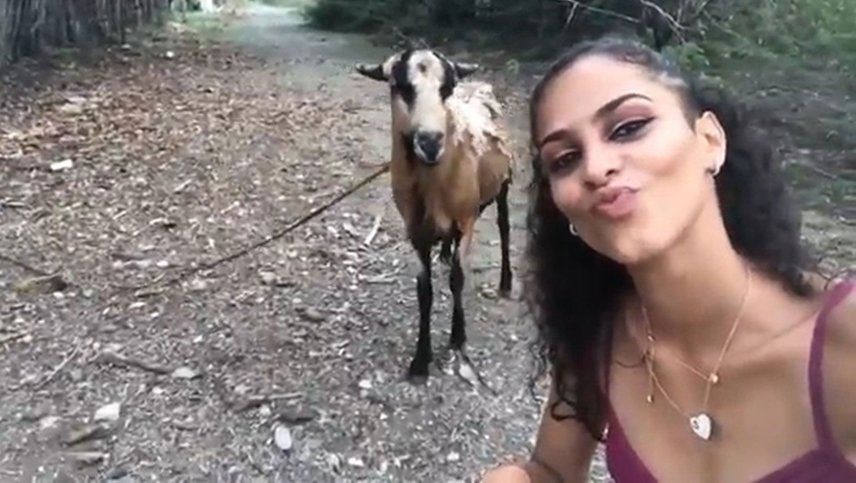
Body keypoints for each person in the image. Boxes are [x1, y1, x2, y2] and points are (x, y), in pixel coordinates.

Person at [482, 36, 856, 482]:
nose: (595, 168)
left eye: (628, 127)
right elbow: (552, 470)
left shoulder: (844, 343)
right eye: (564, 160)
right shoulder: (597, 337)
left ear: (710, 140)